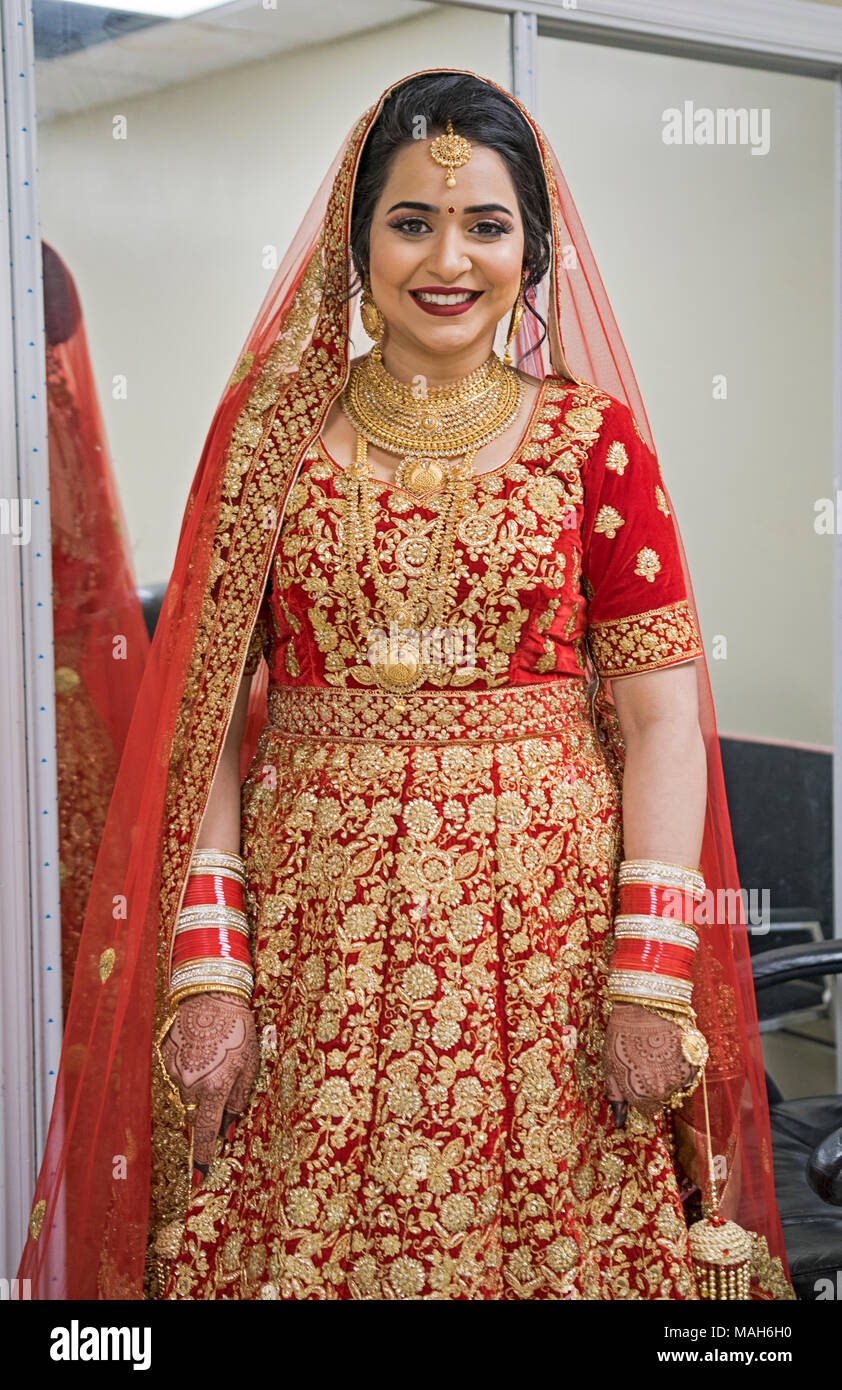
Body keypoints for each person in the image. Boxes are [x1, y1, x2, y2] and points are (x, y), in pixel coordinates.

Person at [19, 68, 794, 1301]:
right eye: (412, 220)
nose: (449, 257)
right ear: (357, 238)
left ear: (530, 252)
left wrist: (646, 979)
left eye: (487, 225)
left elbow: (659, 719)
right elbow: (207, 721)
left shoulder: (592, 443)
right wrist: (212, 966)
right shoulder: (267, 437)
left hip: (549, 949)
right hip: (316, 937)